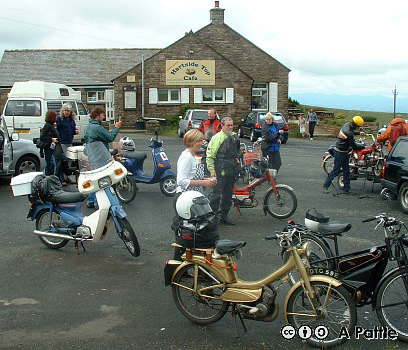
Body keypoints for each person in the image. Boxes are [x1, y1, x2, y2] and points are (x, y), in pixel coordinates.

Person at [84, 107, 121, 208]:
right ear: (97, 115)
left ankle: (91, 201)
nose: (104, 117)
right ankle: (98, 203)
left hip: (92, 156)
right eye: (102, 115)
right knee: (101, 180)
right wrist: (116, 128)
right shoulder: (97, 128)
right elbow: (110, 137)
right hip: (100, 156)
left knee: (94, 178)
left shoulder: (88, 127)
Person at [206, 117, 241, 226]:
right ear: (222, 126)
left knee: (228, 194)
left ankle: (224, 216)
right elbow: (210, 155)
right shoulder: (217, 138)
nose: (230, 127)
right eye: (228, 125)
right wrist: (212, 170)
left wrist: (238, 157)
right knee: (216, 194)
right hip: (219, 169)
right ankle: (213, 217)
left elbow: (238, 150)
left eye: (231, 125)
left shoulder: (235, 136)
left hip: (231, 170)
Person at [323, 116, 371, 194]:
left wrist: (359, 133)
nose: (359, 128)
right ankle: (325, 186)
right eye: (358, 127)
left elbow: (352, 131)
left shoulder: (347, 125)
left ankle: (346, 188)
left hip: (343, 151)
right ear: (355, 125)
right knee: (335, 171)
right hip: (340, 152)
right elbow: (355, 146)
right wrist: (365, 147)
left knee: (346, 171)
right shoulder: (349, 133)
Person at [176, 129, 217, 195]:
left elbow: (192, 176)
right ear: (191, 142)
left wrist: (207, 180)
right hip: (185, 197)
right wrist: (202, 183)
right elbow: (181, 181)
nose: (201, 144)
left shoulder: (191, 156)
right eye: (199, 141)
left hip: (194, 196)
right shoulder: (186, 158)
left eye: (201, 141)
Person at [56, 103, 79, 185]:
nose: (66, 112)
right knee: (63, 161)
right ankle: (62, 179)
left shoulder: (71, 119)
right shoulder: (59, 119)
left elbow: (73, 128)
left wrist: (75, 131)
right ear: (62, 111)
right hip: (62, 142)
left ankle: (67, 177)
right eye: (65, 110)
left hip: (69, 141)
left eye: (68, 111)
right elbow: (56, 130)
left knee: (69, 160)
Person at [39, 110, 63, 177]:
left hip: (52, 147)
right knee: (49, 164)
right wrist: (52, 139)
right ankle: (48, 178)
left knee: (51, 164)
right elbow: (42, 137)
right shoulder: (47, 126)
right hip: (49, 148)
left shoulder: (51, 125)